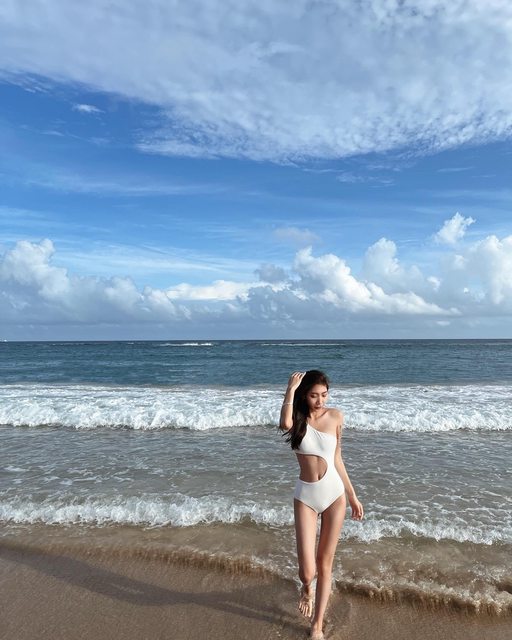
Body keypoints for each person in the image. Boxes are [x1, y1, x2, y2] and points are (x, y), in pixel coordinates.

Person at [279, 370, 364, 640]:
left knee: (325, 564)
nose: (320, 401)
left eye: (324, 395)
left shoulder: (336, 417)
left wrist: (352, 495)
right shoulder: (297, 420)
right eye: (314, 395)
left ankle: (317, 625)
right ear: (304, 395)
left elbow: (337, 458)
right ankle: (307, 589)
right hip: (306, 496)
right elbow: (283, 424)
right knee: (307, 571)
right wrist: (290, 390)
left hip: (334, 495)